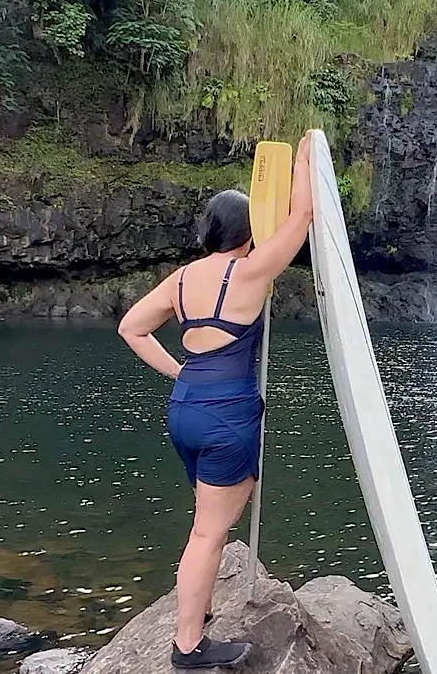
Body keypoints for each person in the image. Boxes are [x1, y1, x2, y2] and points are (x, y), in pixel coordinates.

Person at [117, 131, 314, 669]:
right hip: (227, 414)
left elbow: (131, 328)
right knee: (208, 533)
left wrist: (180, 369)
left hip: (185, 408)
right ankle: (187, 647)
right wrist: (305, 154)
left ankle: (194, 612)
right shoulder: (250, 272)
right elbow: (301, 217)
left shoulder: (181, 280)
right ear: (248, 234)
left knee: (204, 524)